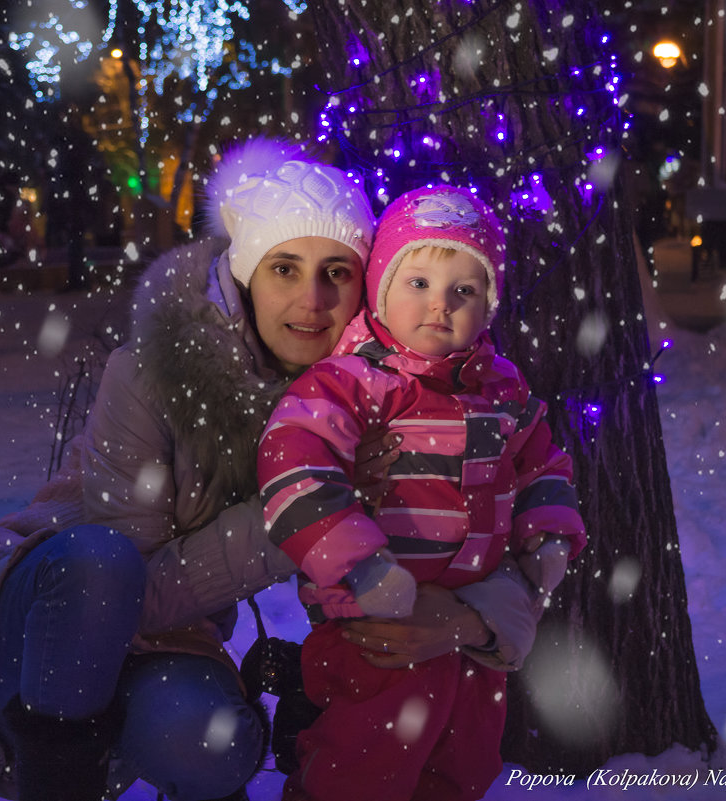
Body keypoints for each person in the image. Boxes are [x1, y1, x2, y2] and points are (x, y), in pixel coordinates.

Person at [0, 142, 547, 801]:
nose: (311, 298)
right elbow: (128, 593)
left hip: (172, 644)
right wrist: (306, 509)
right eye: (285, 268)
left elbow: (481, 538)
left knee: (212, 740)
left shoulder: (371, 399)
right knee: (99, 561)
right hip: (42, 616)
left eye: (337, 272)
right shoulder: (150, 376)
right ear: (247, 276)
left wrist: (466, 621)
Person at [257, 185, 588, 801]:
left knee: (460, 767)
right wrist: (359, 566)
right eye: (419, 284)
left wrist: (547, 538)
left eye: (464, 291)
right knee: (361, 770)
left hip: (469, 640)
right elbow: (296, 465)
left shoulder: (503, 389)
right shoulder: (351, 381)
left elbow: (543, 465)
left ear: (487, 304)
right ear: (381, 287)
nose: (440, 306)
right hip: (375, 630)